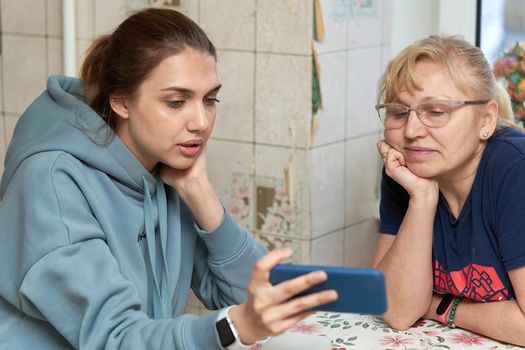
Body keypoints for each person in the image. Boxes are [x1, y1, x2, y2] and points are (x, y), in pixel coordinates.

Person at [0, 8, 337, 349]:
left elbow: (251, 298)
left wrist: (200, 193)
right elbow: (116, 339)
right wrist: (234, 327)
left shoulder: (165, 167)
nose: (201, 122)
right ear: (121, 102)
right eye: (176, 102)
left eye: (209, 100)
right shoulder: (53, 183)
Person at [373, 34, 525, 347]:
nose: (412, 132)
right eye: (399, 112)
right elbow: (396, 310)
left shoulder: (514, 168)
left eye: (437, 112)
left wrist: (442, 305)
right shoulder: (407, 171)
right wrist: (423, 198)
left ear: (486, 120)